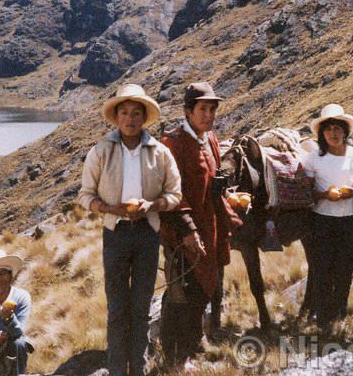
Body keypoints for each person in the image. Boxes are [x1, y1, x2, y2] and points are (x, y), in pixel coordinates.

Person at [78, 83, 182, 376]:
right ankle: (116, 370)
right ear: (116, 117)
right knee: (117, 308)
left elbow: (175, 194)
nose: (130, 118)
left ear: (144, 117)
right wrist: (113, 209)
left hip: (148, 234)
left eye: (136, 113)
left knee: (141, 308)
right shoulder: (101, 152)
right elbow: (86, 196)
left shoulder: (159, 153)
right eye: (124, 112)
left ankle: (139, 367)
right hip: (116, 234)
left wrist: (151, 205)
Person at [159, 82, 239, 370]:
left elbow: (212, 176)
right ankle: (174, 355)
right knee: (182, 289)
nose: (209, 115)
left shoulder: (210, 139)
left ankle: (194, 340)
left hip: (211, 225)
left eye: (212, 109)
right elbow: (169, 192)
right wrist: (188, 230)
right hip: (183, 231)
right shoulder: (173, 143)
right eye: (203, 109)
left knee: (205, 286)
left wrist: (225, 192)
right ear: (187, 111)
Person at [298, 104, 353, 332]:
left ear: (345, 131)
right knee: (322, 267)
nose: (333, 133)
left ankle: (339, 313)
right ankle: (321, 316)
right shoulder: (312, 160)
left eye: (337, 128)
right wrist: (324, 194)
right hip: (322, 219)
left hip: (351, 218)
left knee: (345, 267)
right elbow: (307, 194)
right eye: (328, 129)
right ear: (322, 133)